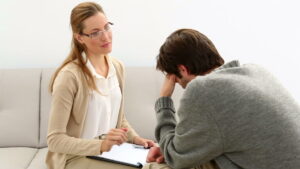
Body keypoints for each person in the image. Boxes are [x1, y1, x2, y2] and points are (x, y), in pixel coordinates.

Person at [146, 28, 300, 169]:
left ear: (182, 69)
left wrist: (164, 100)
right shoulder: (256, 71)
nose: (179, 85)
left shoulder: (202, 89)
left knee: (153, 167)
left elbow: (176, 159)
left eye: (175, 80)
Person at [46, 2, 154, 169]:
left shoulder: (117, 67)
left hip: (111, 153)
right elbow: (54, 140)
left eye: (107, 27)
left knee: (160, 163)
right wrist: (100, 146)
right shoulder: (69, 76)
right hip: (75, 158)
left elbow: (119, 118)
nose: (105, 37)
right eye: (95, 33)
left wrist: (136, 139)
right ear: (80, 37)